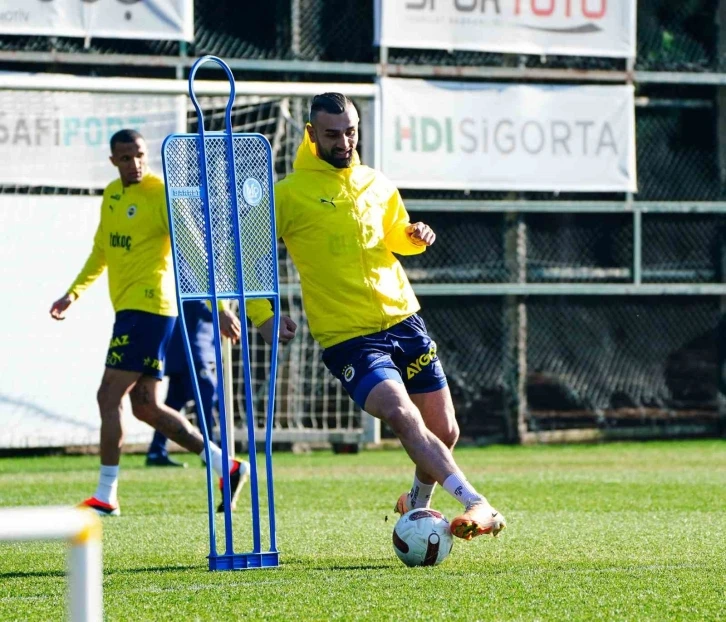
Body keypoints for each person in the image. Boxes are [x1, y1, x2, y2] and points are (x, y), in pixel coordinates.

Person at [251, 93, 506, 541]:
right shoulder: (288, 194)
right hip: (349, 338)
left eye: (350, 131)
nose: (344, 141)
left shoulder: (376, 181)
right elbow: (248, 253)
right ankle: (475, 502)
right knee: (402, 413)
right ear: (311, 135)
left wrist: (414, 236)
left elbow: (393, 237)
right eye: (332, 134)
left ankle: (416, 505)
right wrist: (262, 314)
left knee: (445, 428)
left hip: (404, 319)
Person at [49, 129, 269, 516]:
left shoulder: (160, 194)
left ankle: (106, 493)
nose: (134, 164)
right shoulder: (112, 196)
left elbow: (194, 251)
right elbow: (101, 250)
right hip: (131, 312)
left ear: (145, 155)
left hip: (149, 310)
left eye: (139, 155)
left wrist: (218, 307)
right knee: (145, 406)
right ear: (113, 161)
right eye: (125, 158)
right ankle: (227, 465)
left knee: (107, 396)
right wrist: (73, 293)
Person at [145, 301, 217, 468]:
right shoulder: (195, 277)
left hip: (189, 350)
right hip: (192, 351)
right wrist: (224, 311)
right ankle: (212, 452)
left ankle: (156, 450)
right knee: (205, 396)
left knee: (173, 404)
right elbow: (201, 306)